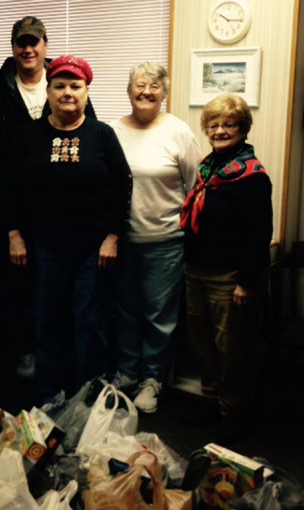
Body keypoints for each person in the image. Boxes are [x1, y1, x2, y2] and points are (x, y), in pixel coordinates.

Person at [0, 16, 95, 392]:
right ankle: (23, 361)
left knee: (59, 295)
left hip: (58, 216)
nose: (28, 49)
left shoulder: (64, 81)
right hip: (10, 210)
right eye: (21, 42)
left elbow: (88, 144)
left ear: (45, 45)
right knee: (14, 294)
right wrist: (6, 222)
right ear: (13, 47)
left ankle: (65, 369)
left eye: (35, 42)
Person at [2, 56, 132, 403]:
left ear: (87, 92)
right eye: (59, 86)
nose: (67, 93)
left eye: (75, 86)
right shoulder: (29, 135)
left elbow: (123, 186)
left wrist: (113, 236)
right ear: (48, 91)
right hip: (44, 247)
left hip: (93, 249)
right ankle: (50, 396)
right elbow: (9, 187)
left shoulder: (102, 135)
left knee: (89, 324)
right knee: (48, 322)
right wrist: (14, 233)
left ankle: (88, 398)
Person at [179, 93, 272, 444]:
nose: (219, 130)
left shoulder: (251, 176)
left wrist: (245, 283)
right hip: (196, 269)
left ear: (242, 129)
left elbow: (259, 233)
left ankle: (232, 411)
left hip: (230, 277)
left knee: (231, 347)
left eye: (228, 124)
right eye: (214, 124)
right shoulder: (208, 167)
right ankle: (211, 400)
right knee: (202, 342)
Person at [110, 62, 201, 414]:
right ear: (129, 90)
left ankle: (153, 379)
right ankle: (128, 373)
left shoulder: (178, 132)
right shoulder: (112, 130)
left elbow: (196, 189)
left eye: (154, 86)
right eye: (139, 85)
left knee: (159, 317)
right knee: (126, 313)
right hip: (122, 241)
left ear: (164, 92)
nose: (146, 91)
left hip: (165, 243)